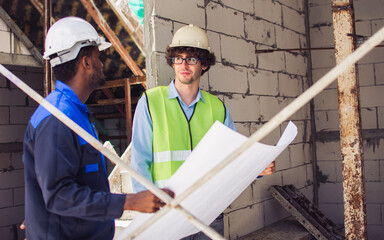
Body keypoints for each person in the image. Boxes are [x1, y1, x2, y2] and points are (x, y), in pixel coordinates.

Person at [22, 16, 173, 240]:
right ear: (86, 62)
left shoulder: (77, 113)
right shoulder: (57, 120)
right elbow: (58, 196)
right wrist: (130, 202)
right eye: (98, 56)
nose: (102, 64)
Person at [131, 24, 275, 239]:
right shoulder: (151, 102)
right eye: (178, 58)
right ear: (172, 62)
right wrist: (148, 208)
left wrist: (257, 168)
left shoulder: (217, 107)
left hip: (208, 213)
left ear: (204, 65)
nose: (184, 65)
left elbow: (232, 159)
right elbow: (140, 161)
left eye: (192, 59)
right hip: (167, 214)